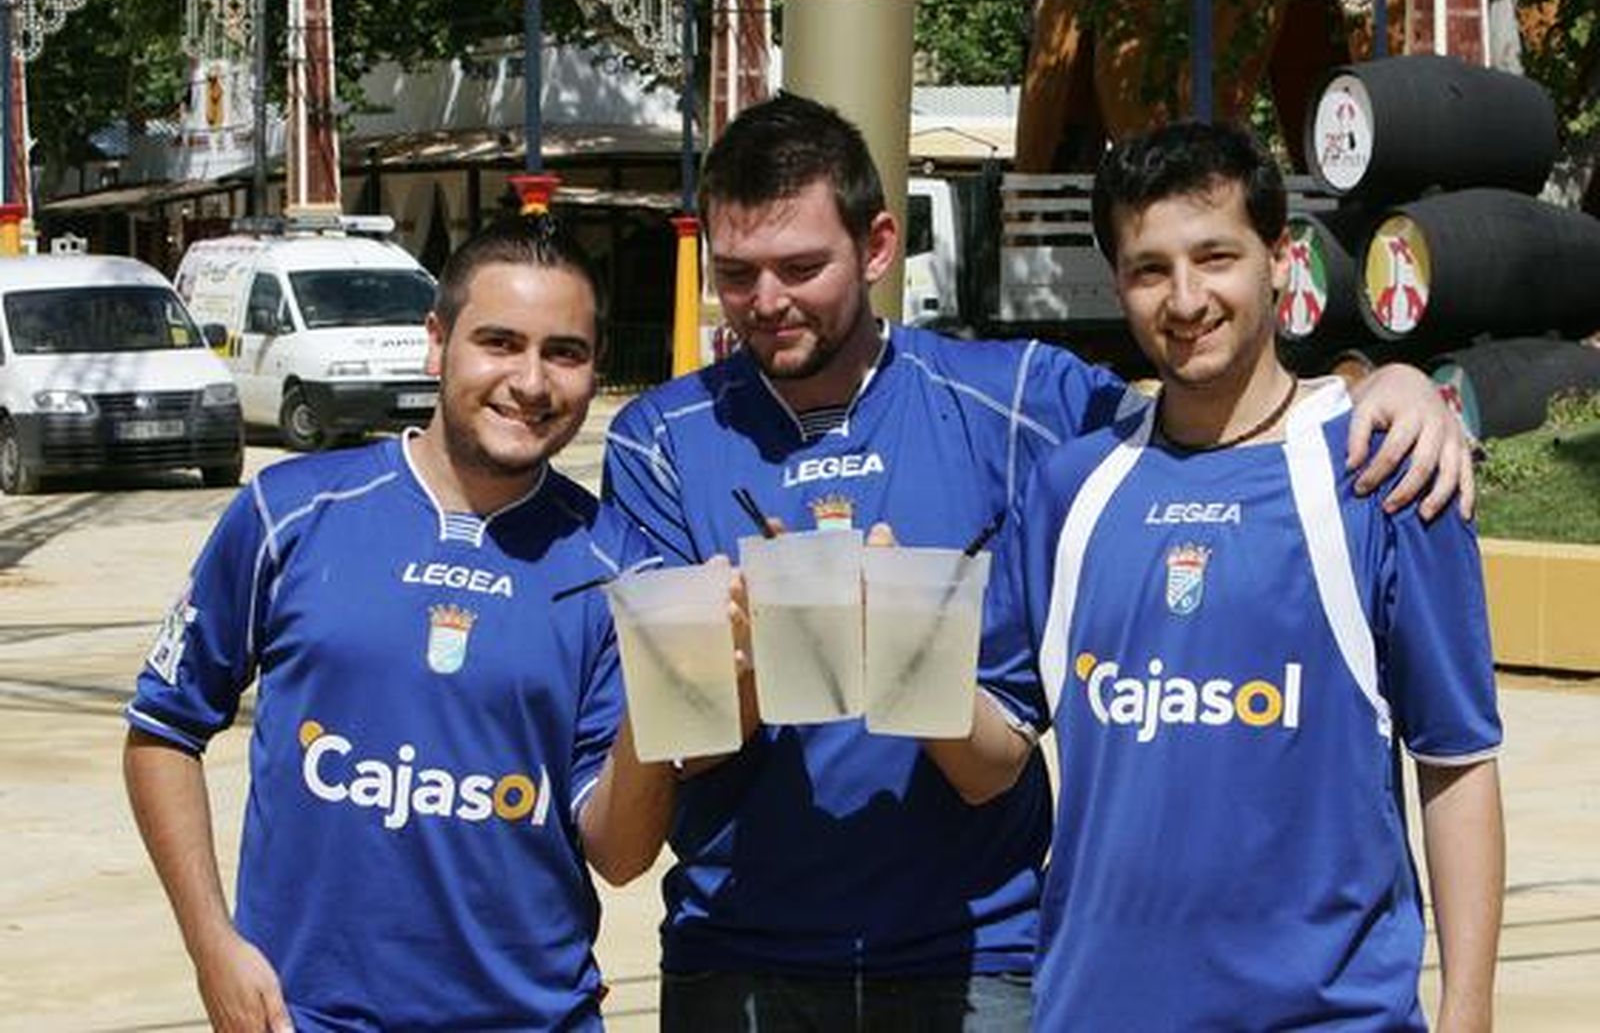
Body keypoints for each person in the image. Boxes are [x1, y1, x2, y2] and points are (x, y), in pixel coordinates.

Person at [601, 92, 1475, 1030]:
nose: (768, 301)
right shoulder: (661, 439)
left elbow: (1212, 403)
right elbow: (663, 757)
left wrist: (1379, 383)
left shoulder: (1020, 397)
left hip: (977, 955)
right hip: (739, 955)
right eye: (738, 274)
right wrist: (747, 656)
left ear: (880, 246)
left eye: (802, 267)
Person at [930, 121, 1504, 1030]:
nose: (1186, 298)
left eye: (1215, 257)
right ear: (1118, 281)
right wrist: (903, 657)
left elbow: (1457, 763)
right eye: (1149, 269)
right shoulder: (1070, 487)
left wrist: (1469, 1011)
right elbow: (990, 762)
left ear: (1279, 259)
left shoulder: (1386, 473)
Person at [124, 218, 674, 1032]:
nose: (530, 381)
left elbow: (620, 855)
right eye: (499, 342)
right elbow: (162, 732)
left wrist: (673, 698)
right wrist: (213, 946)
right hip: (306, 1018)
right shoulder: (290, 512)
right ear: (436, 341)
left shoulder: (624, 568)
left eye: (564, 352)